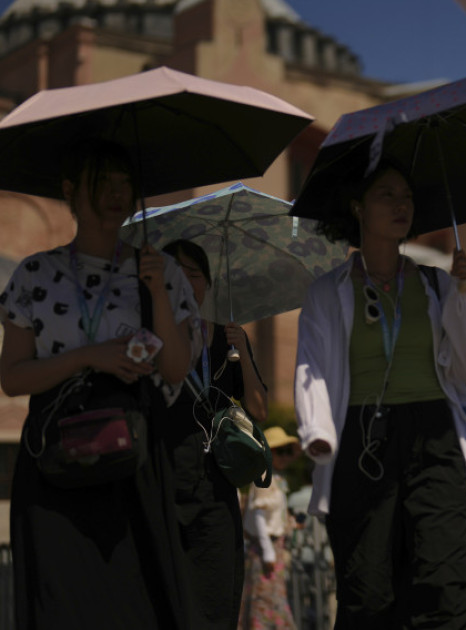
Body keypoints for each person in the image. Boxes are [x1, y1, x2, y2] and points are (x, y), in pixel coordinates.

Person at [0, 139, 199, 629]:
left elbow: (176, 370)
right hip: (54, 457)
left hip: (134, 458)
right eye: (102, 182)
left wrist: (154, 286)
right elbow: (11, 378)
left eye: (124, 182)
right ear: (70, 190)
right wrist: (88, 357)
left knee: (137, 599)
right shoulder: (34, 274)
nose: (117, 193)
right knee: (61, 601)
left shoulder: (161, 270)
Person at [293, 161, 466, 629]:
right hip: (360, 444)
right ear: (358, 206)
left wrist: (465, 293)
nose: (401, 204)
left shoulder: (436, 283)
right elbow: (311, 367)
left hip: (435, 437)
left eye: (406, 195)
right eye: (386, 194)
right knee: (367, 592)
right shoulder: (328, 292)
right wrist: (318, 432)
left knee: (443, 582)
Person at [162, 238, 269, 629]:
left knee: (217, 592)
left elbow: (259, 409)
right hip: (165, 475)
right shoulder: (151, 338)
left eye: (194, 274)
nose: (187, 282)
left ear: (207, 284)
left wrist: (245, 348)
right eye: (176, 273)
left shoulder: (228, 340)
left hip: (217, 480)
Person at [238, 426, 299, 630]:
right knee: (264, 598)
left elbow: (273, 515)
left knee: (272, 597)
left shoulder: (276, 479)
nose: (284, 456)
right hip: (265, 549)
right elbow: (258, 517)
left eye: (287, 451)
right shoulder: (264, 477)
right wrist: (268, 552)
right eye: (280, 451)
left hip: (273, 547)